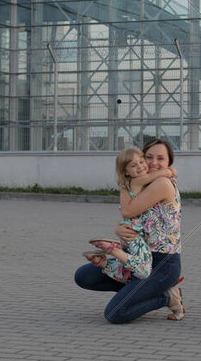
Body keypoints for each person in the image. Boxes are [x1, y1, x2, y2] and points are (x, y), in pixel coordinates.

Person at [74, 138, 185, 323]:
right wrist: (118, 228)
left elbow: (127, 211)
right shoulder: (140, 185)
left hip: (162, 265)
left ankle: (166, 297)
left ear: (169, 163)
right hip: (135, 259)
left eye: (161, 158)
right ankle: (138, 292)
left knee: (114, 313)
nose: (153, 163)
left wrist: (126, 184)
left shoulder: (162, 183)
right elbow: (129, 218)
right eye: (148, 157)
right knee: (83, 276)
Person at [82, 146, 176, 283]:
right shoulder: (137, 181)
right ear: (126, 172)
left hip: (130, 233)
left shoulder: (129, 185)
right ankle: (113, 250)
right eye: (133, 165)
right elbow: (152, 176)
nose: (140, 166)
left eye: (141, 162)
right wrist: (167, 172)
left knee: (128, 273)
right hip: (134, 235)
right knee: (143, 271)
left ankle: (102, 263)